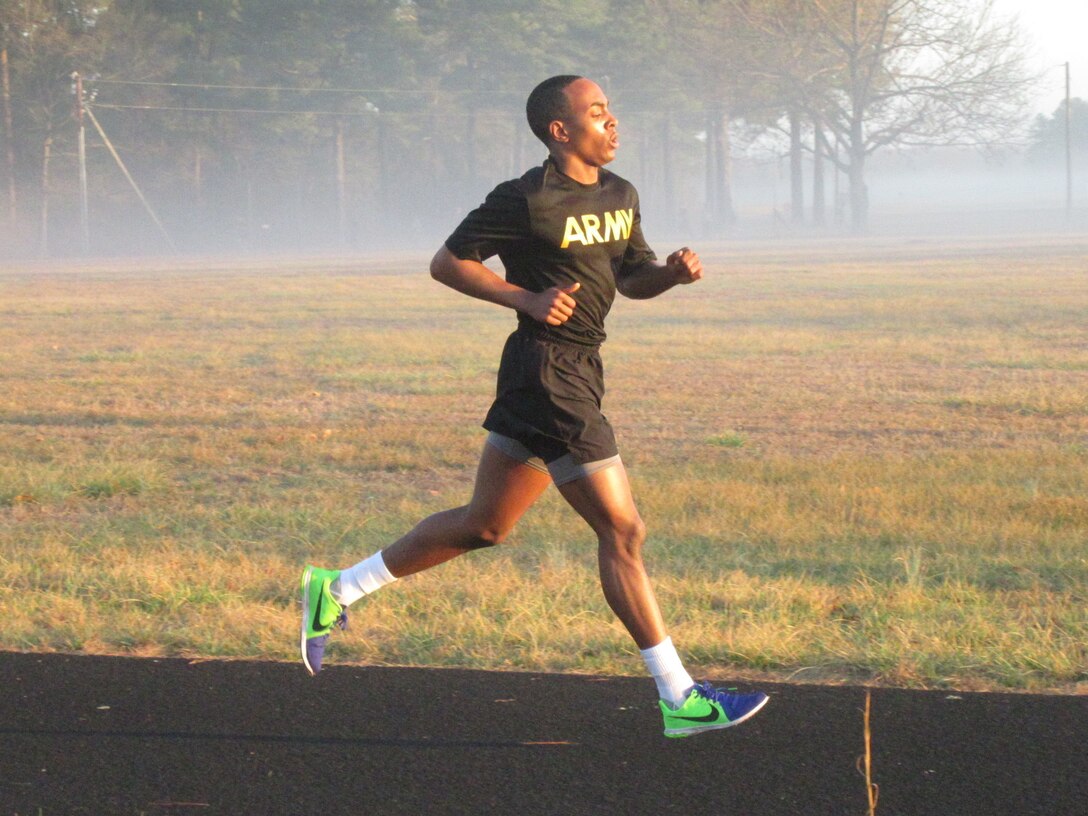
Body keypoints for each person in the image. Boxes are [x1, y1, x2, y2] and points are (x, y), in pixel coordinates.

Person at [300, 75, 768, 738]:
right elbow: (447, 262)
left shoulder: (620, 193)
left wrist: (671, 274)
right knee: (623, 531)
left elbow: (631, 279)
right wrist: (523, 298)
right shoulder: (525, 199)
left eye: (611, 109)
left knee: (486, 527)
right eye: (598, 112)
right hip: (549, 374)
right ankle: (679, 697)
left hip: (565, 371)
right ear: (560, 129)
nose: (613, 122)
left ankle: (336, 589)